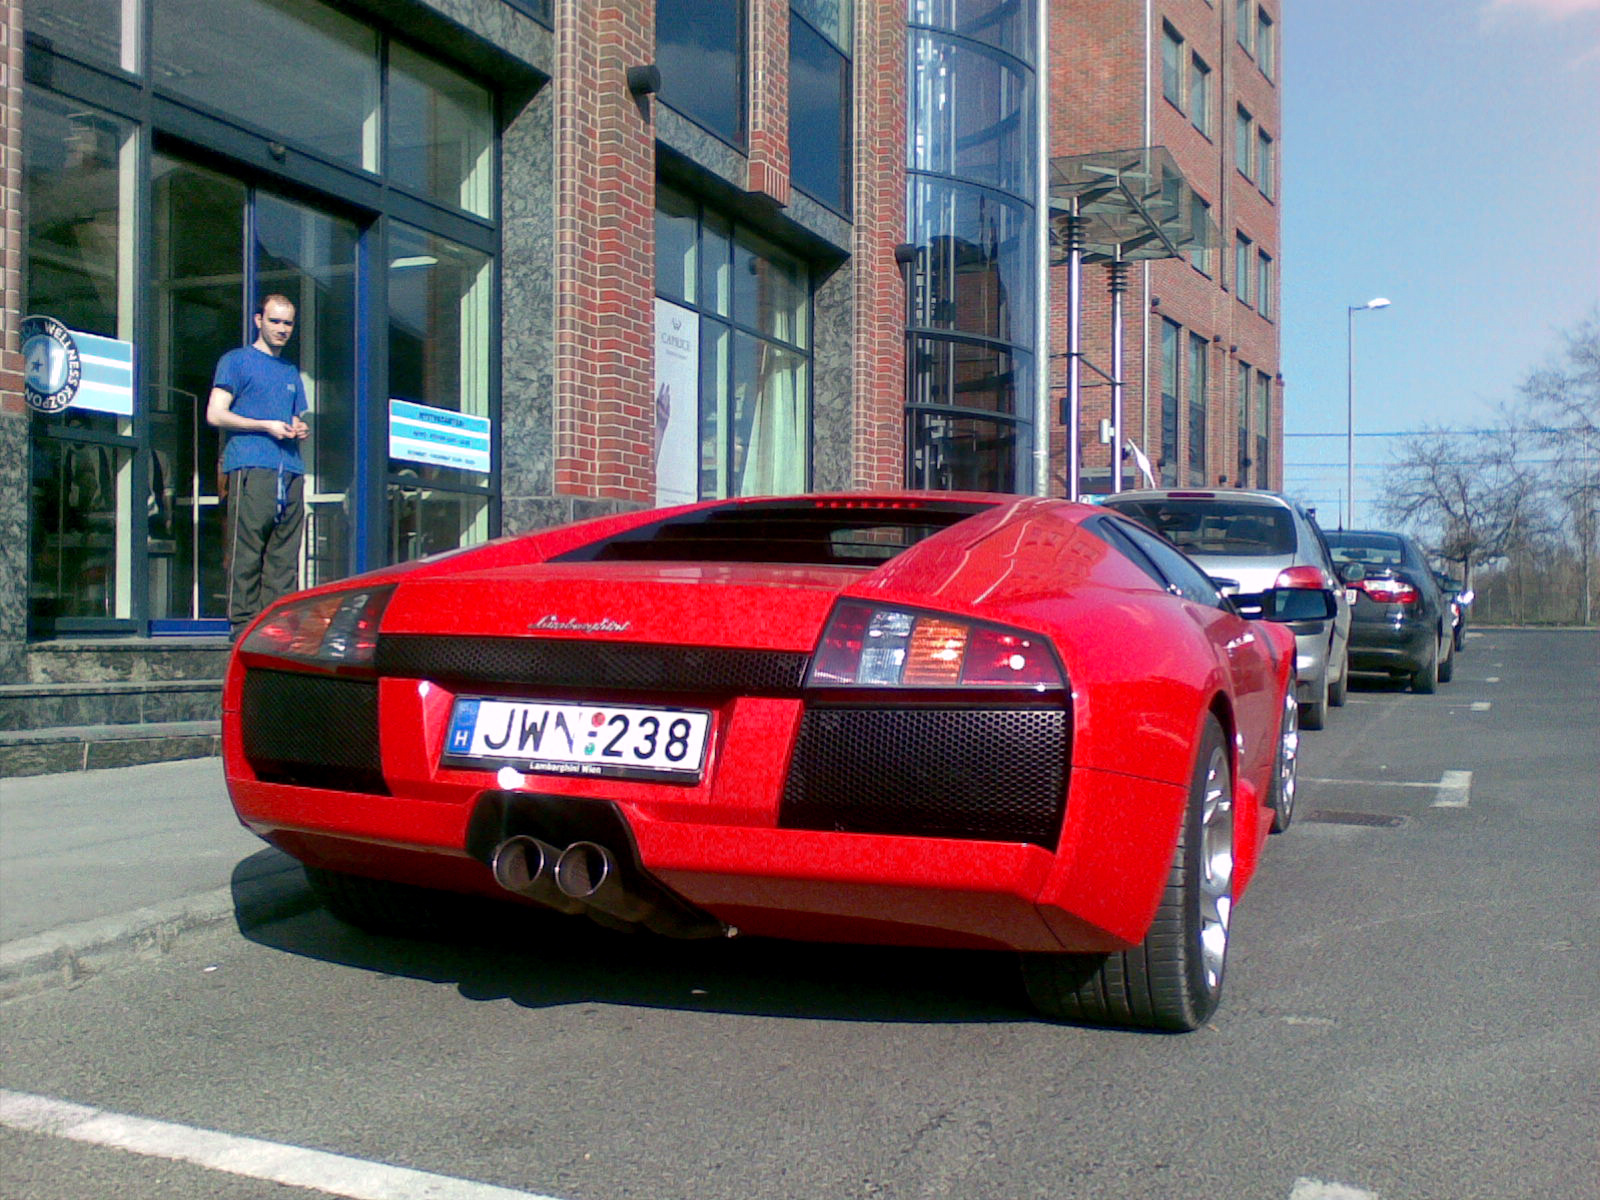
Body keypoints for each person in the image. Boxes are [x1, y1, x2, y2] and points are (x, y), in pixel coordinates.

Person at [207, 294, 310, 639]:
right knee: (247, 550)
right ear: (258, 321)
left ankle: (277, 628)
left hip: (291, 469)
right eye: (275, 321)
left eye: (288, 323)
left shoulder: (291, 372)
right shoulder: (236, 361)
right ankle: (243, 626)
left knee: (284, 556)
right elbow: (215, 413)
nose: (282, 329)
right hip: (251, 465)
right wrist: (265, 425)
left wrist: (298, 428)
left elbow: (294, 417)